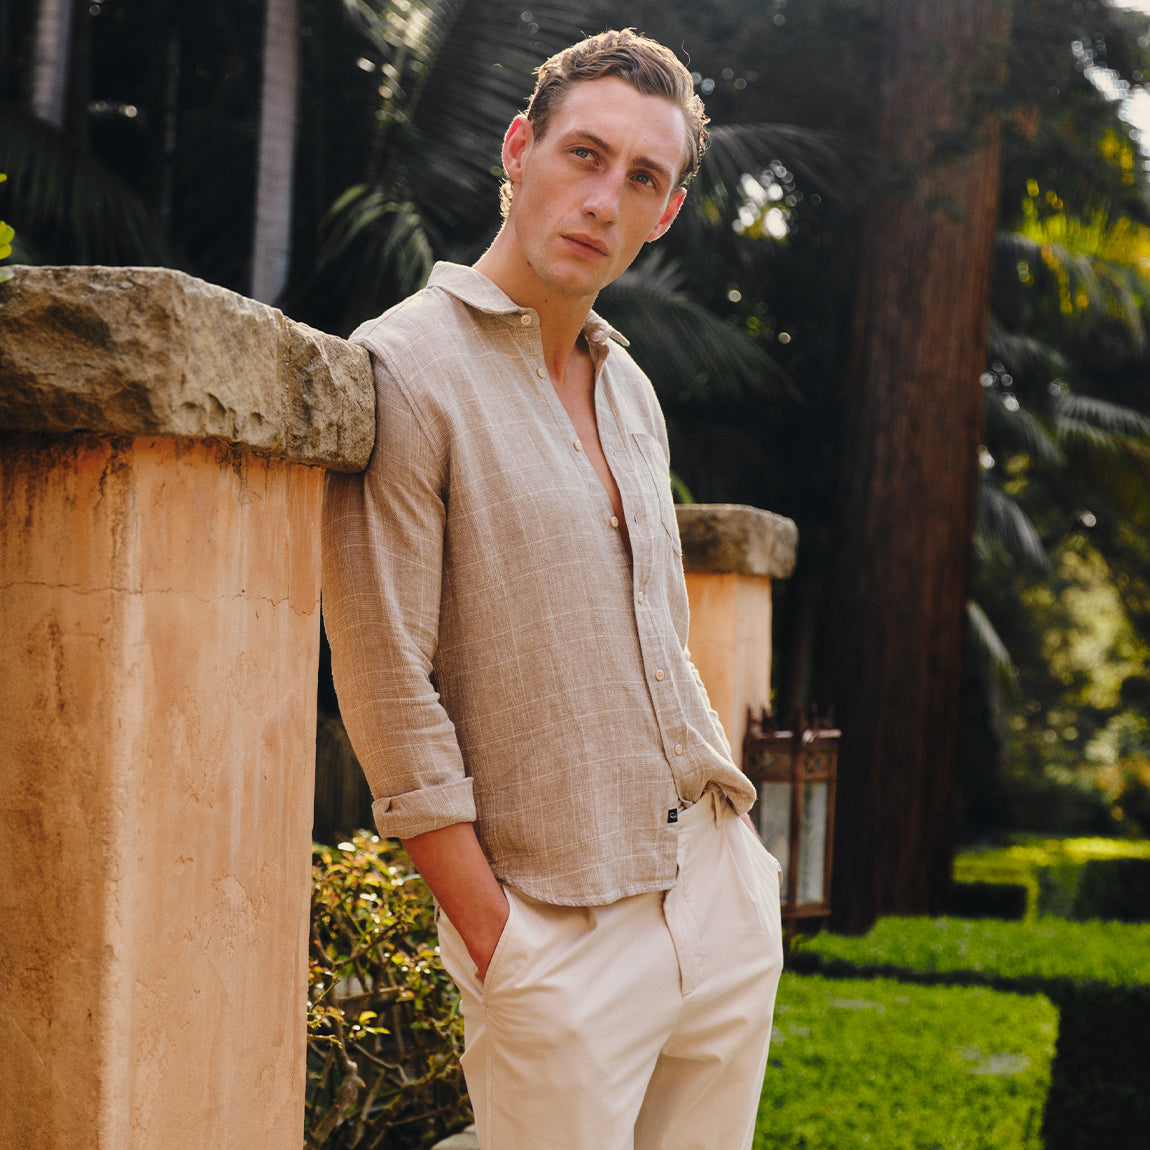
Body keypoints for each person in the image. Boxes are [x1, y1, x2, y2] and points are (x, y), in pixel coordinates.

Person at [321, 28, 784, 1150]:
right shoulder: (407, 367)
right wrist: (499, 939)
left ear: (664, 212)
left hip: (714, 896)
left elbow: (656, 635)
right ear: (518, 149)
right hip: (556, 930)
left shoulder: (629, 385)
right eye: (583, 154)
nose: (603, 199)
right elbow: (386, 682)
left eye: (641, 179)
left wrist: (741, 874)